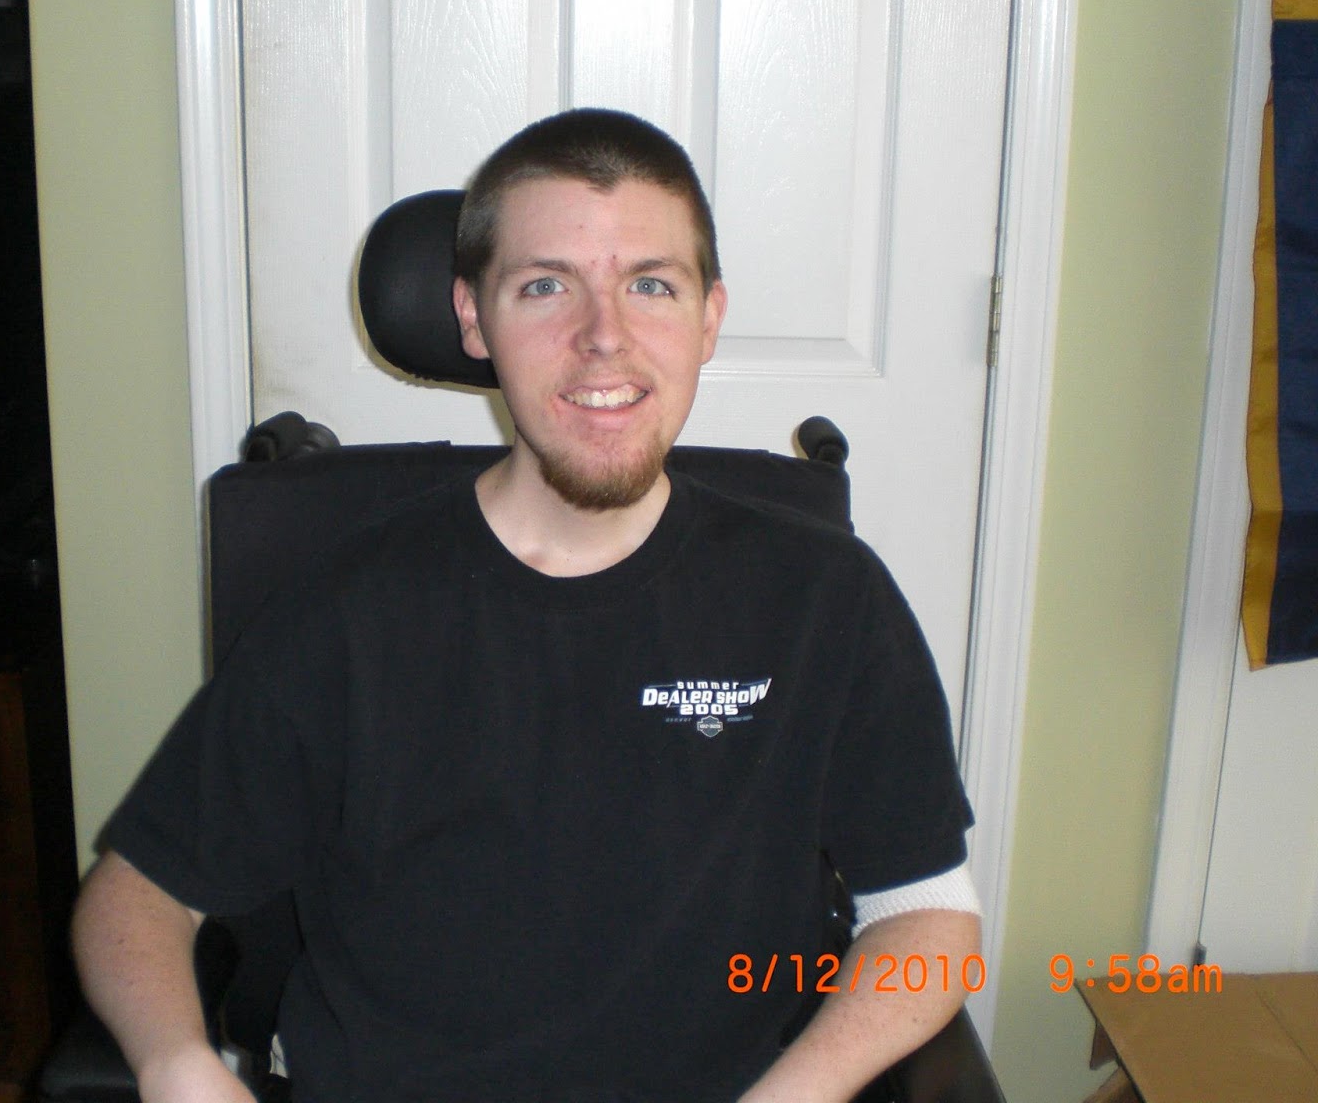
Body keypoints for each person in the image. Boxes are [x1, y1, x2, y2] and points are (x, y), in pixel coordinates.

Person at [72, 108, 981, 1103]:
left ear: (709, 317)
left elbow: (928, 916)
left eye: (651, 284)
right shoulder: (348, 609)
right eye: (546, 285)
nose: (604, 336)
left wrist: (797, 1093)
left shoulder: (822, 597)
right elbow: (135, 895)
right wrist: (176, 1064)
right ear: (473, 317)